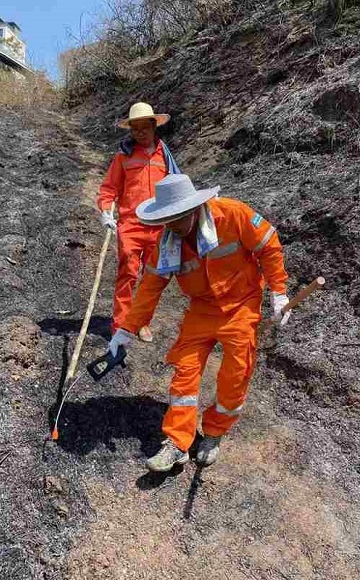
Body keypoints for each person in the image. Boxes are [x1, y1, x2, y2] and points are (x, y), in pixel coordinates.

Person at [107, 173, 290, 472]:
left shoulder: (233, 214)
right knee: (185, 373)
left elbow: (268, 246)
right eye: (168, 220)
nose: (174, 226)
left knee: (236, 374)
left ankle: (215, 432)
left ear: (194, 208)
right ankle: (178, 443)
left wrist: (279, 292)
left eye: (179, 218)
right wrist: (126, 329)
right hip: (202, 309)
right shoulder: (167, 243)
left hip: (241, 306)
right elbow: (150, 286)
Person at [97, 102, 180, 341]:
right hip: (130, 225)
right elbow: (108, 189)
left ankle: (142, 322)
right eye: (135, 128)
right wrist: (105, 211)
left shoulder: (165, 156)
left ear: (154, 127)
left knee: (152, 278)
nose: (140, 132)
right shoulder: (123, 156)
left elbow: (177, 186)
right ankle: (120, 325)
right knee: (127, 276)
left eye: (145, 127)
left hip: (160, 226)